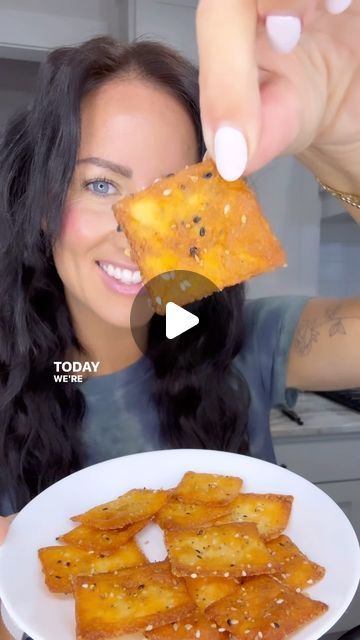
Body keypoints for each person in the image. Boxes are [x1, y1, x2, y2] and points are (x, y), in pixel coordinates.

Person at [0, 3, 359, 635]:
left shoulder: (245, 344)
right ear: (41, 202)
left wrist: (347, 147)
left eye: (174, 194)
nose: (139, 233)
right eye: (102, 185)